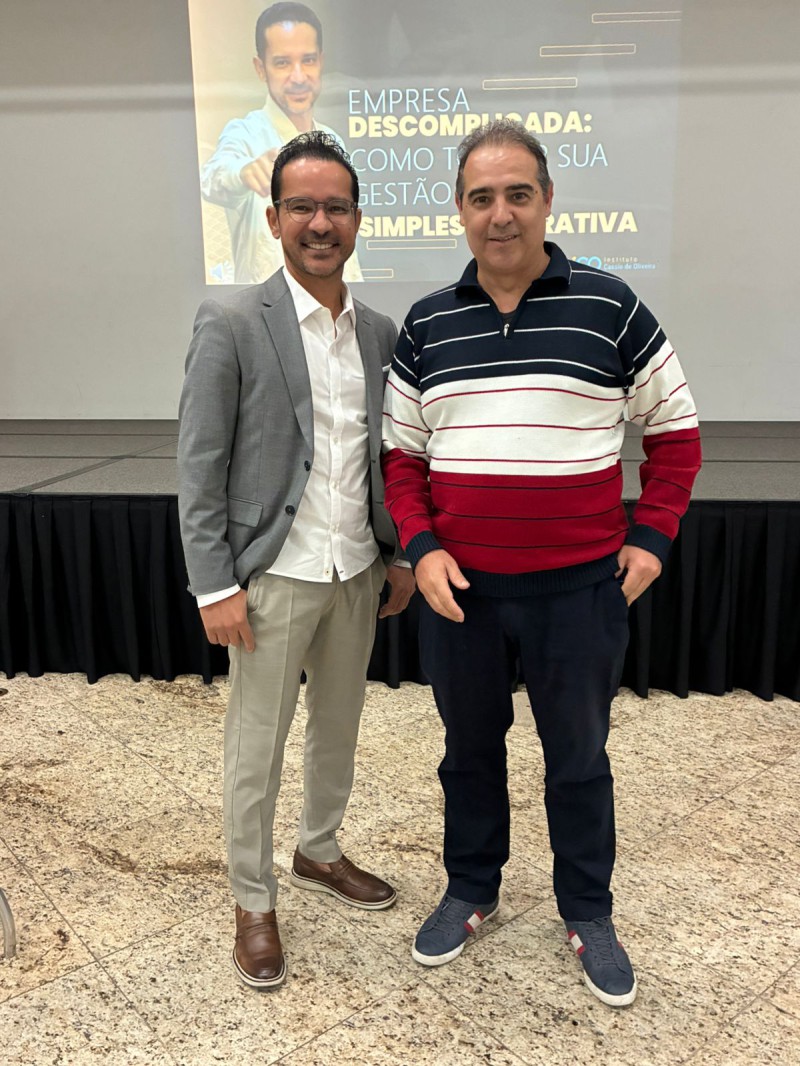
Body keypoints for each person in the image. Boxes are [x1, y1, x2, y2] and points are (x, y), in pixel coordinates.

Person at [381, 119, 701, 1008]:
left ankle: (588, 910)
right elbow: (402, 459)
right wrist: (422, 547)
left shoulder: (613, 307)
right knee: (468, 755)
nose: (501, 214)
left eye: (518, 194)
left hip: (578, 594)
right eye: (482, 197)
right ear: (458, 209)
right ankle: (471, 890)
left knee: (579, 759)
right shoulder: (427, 325)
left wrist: (652, 536)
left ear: (548, 200)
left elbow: (675, 433)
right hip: (462, 595)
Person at [178, 131, 415, 990]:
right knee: (257, 747)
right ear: (275, 218)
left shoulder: (381, 332)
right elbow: (200, 463)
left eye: (336, 207)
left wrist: (396, 556)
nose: (321, 223)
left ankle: (319, 850)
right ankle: (253, 899)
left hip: (357, 572)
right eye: (303, 207)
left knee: (337, 731)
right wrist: (214, 583)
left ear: (357, 219)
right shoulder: (233, 321)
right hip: (272, 575)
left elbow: (389, 455)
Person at [201, 2, 362, 284]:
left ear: (321, 62)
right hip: (266, 307)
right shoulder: (245, 133)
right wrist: (243, 174)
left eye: (308, 60)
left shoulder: (332, 138)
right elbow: (213, 179)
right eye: (282, 63)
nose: (298, 77)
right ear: (260, 68)